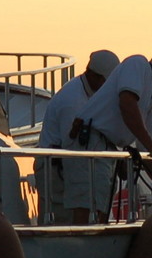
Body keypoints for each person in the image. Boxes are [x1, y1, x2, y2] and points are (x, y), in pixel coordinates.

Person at [64, 35, 152, 224]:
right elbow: (127, 103)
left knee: (99, 213)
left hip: (103, 148)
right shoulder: (138, 64)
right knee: (88, 213)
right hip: (90, 145)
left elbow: (150, 156)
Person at [35, 49, 119, 223]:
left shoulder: (90, 93)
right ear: (96, 77)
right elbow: (73, 149)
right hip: (57, 171)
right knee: (62, 224)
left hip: (71, 168)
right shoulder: (72, 101)